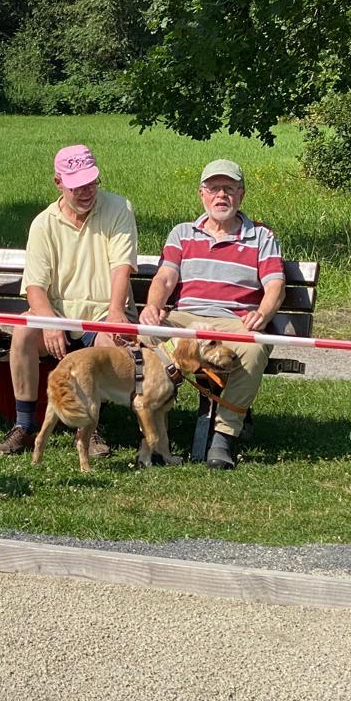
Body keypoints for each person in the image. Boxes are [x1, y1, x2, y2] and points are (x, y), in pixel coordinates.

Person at [0, 144, 137, 456]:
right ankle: (24, 425)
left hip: (101, 315)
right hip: (58, 314)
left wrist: (116, 312)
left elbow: (121, 268)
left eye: (91, 183)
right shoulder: (43, 223)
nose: (86, 192)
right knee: (23, 332)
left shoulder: (119, 208)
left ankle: (91, 428)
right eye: (77, 186)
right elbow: (34, 287)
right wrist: (49, 322)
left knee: (110, 341)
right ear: (58, 183)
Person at [140, 158, 285, 470]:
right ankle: (153, 426)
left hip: (234, 321)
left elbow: (275, 286)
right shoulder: (182, 233)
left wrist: (262, 312)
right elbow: (165, 278)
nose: (221, 196)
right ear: (202, 194)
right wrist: (153, 306)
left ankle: (224, 436)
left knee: (253, 349)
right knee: (146, 335)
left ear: (241, 194)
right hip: (187, 319)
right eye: (214, 189)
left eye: (229, 189)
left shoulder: (262, 237)